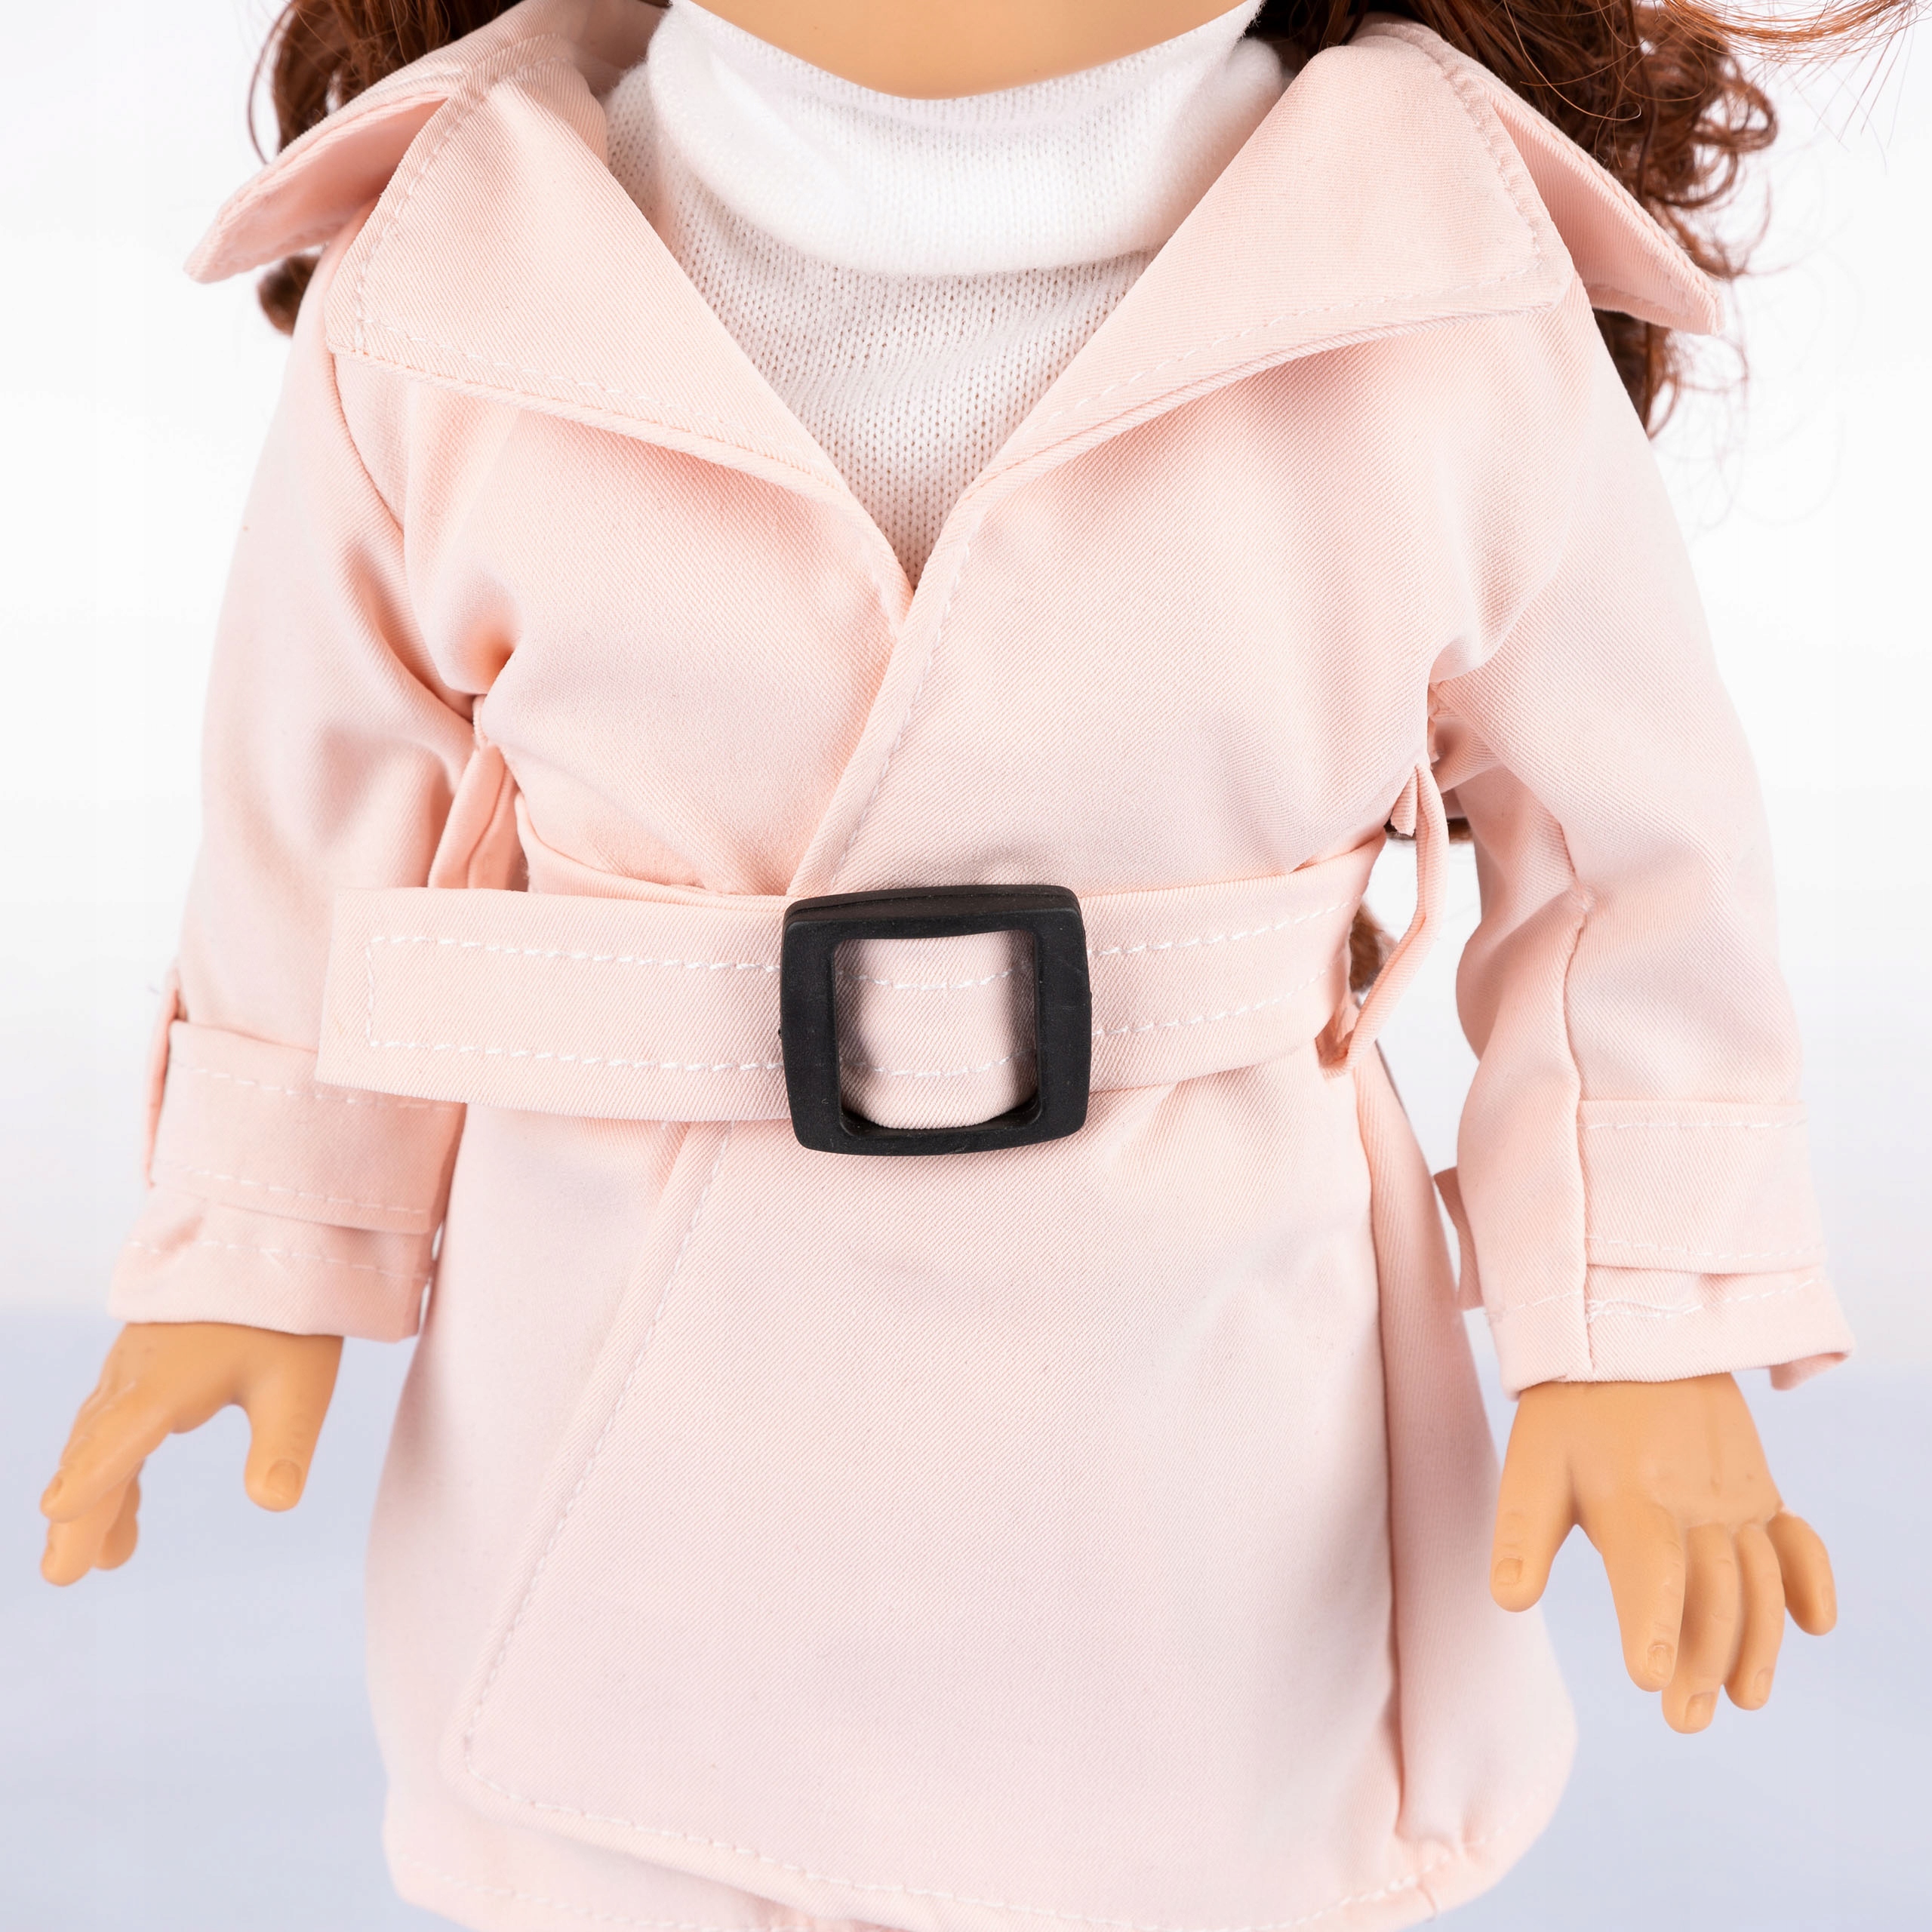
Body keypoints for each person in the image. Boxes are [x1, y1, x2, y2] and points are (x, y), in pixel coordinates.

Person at [38, 3, 1903, 1928]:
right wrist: (257, 1240)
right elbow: (319, 802)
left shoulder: (1433, 272)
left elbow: (1620, 847)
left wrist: (1637, 1313)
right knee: (629, 1829)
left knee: (1198, 1822)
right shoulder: (462, 262)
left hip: (1194, 1386)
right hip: (623, 1356)